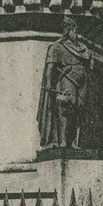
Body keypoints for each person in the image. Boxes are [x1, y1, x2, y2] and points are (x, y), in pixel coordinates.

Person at [37, 15, 92, 150]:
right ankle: (62, 141)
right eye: (72, 29)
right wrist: (49, 84)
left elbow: (89, 66)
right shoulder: (57, 47)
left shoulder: (83, 48)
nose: (75, 32)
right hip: (68, 78)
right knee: (66, 109)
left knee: (78, 110)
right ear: (66, 31)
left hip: (82, 80)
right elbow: (50, 68)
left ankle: (73, 141)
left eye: (76, 29)